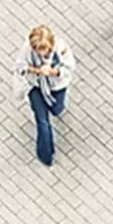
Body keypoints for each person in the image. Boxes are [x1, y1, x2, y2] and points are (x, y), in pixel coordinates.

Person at [13, 26, 75, 167]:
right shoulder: (28, 48)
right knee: (42, 122)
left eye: (43, 49)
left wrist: (52, 71)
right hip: (35, 84)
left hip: (56, 85)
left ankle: (55, 108)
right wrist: (37, 70)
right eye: (37, 49)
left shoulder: (61, 48)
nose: (40, 53)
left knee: (57, 109)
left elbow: (69, 67)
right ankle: (45, 154)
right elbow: (20, 65)